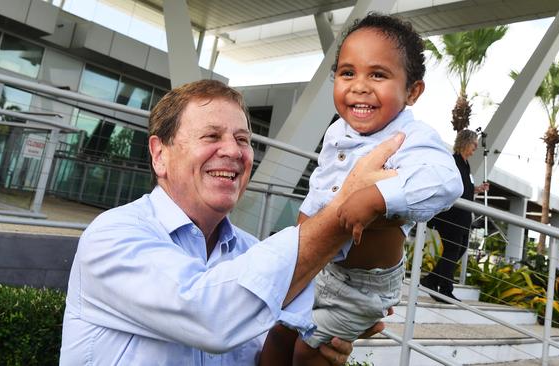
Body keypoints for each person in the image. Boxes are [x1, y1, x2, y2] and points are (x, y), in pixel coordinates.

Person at [60, 79, 406, 365]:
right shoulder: (112, 236)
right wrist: (344, 210)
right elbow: (210, 317)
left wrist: (320, 340)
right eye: (211, 136)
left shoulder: (252, 252)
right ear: (159, 154)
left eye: (243, 139)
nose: (234, 151)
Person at [259, 13, 463, 366]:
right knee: (277, 333)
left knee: (311, 351)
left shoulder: (410, 137)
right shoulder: (338, 130)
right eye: (347, 72)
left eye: (378, 74)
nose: (359, 85)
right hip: (315, 266)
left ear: (412, 91)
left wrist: (377, 197)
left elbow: (446, 180)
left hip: (359, 285)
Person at [420, 129, 490, 302]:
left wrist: (477, 189)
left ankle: (432, 280)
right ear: (465, 142)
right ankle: (444, 288)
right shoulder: (453, 162)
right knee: (452, 250)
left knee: (461, 248)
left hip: (463, 216)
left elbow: (463, 187)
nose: (475, 147)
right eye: (474, 143)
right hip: (452, 215)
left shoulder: (466, 164)